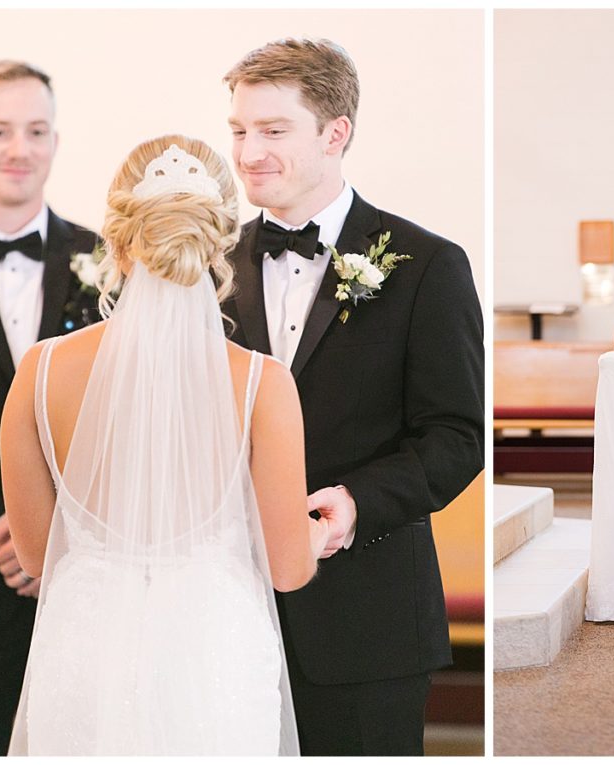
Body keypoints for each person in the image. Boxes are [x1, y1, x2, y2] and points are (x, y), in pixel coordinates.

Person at [1, 135, 330, 754]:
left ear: (118, 236)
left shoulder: (40, 372)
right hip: (213, 653)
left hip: (85, 652)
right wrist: (321, 530)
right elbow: (288, 570)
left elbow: (41, 556)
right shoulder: (262, 383)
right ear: (223, 238)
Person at [223, 38, 484, 755]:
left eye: (273, 131)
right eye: (240, 130)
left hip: (368, 620)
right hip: (223, 614)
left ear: (336, 133)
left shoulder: (428, 264)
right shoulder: (206, 266)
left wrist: (356, 502)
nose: (249, 153)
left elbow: (457, 436)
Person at [0, 59, 100, 756]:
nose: (18, 149)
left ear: (57, 141)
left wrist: (50, 531)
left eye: (35, 130)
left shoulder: (107, 259)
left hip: (74, 570)